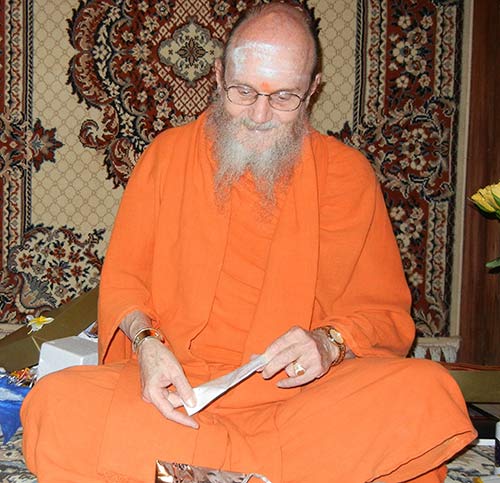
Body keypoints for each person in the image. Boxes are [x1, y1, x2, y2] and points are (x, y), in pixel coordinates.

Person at [21, 2, 476, 482]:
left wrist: (328, 343)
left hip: (302, 403)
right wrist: (148, 345)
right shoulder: (167, 157)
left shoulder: (346, 175)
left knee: (427, 393)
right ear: (218, 76)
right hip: (177, 396)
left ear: (313, 90)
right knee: (57, 404)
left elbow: (382, 314)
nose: (260, 115)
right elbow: (126, 283)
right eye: (243, 92)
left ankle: (203, 469)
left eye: (284, 97)